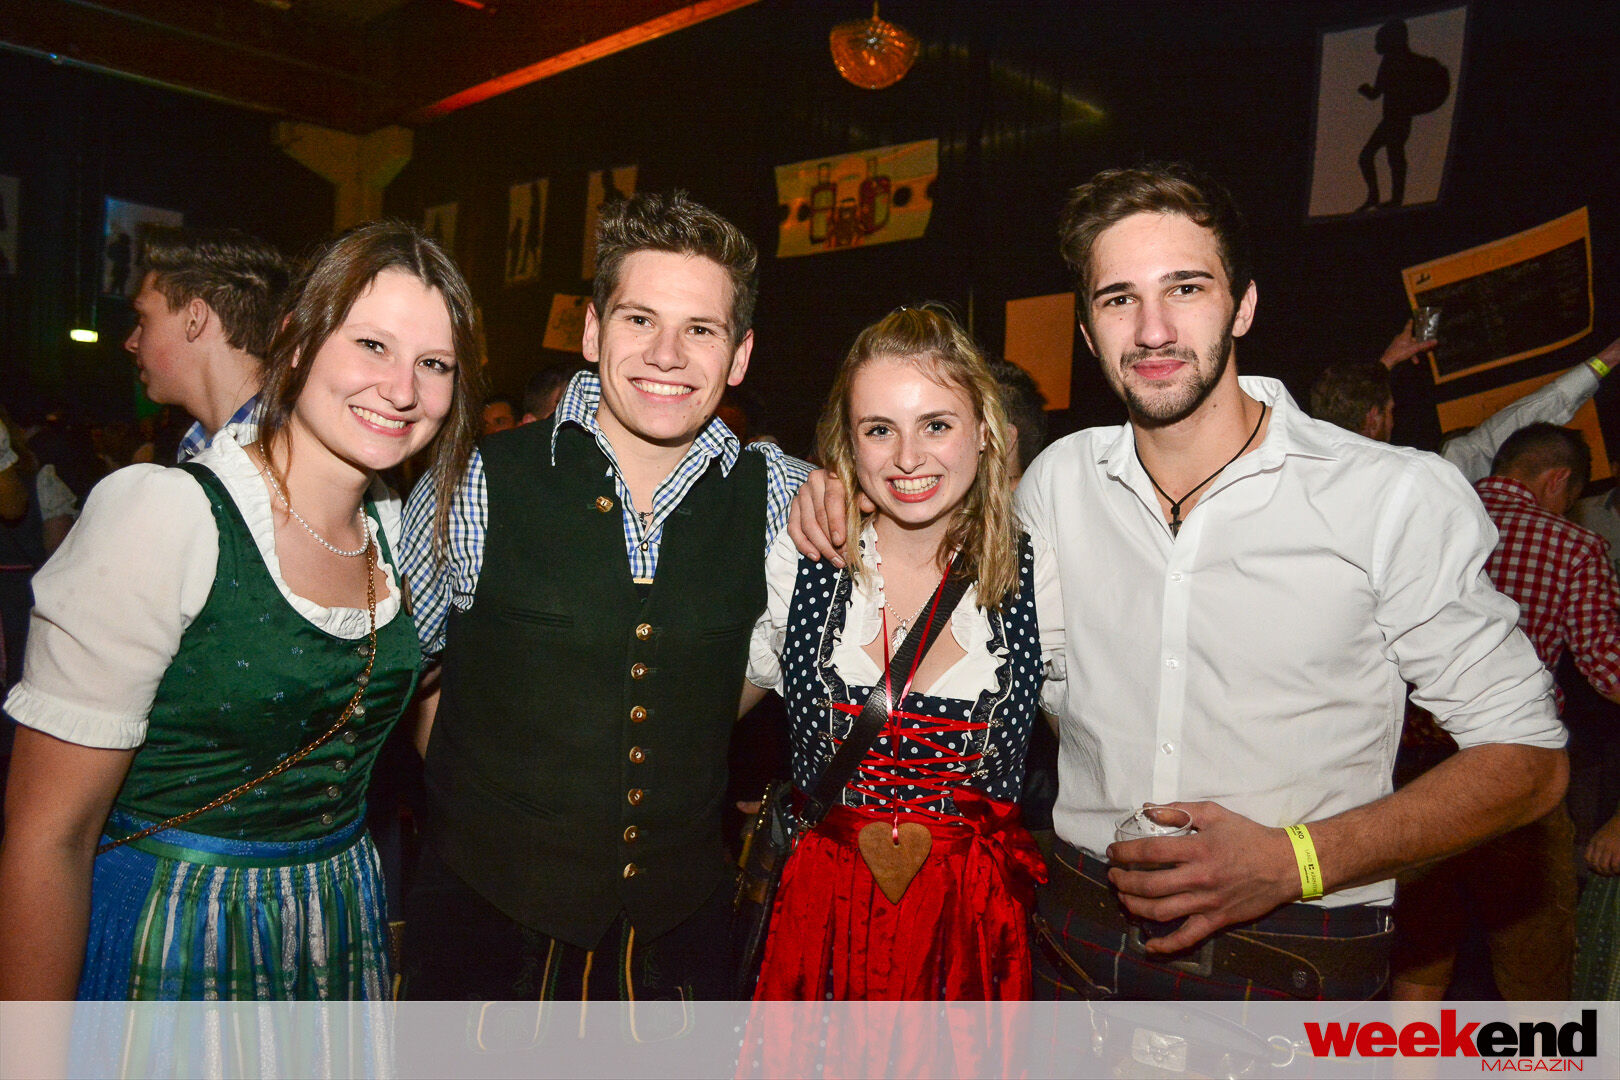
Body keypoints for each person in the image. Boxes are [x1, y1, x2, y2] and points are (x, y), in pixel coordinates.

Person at [791, 163, 1567, 1000]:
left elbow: (1528, 759)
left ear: (1244, 305)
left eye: (1185, 289)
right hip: (1075, 944)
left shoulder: (1387, 495)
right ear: (1088, 330)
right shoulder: (1059, 485)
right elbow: (946, 572)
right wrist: (839, 490)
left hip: (1292, 959)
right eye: (1118, 299)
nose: (1153, 330)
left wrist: (1294, 860)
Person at [0, 221, 483, 1000]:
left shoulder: (402, 532)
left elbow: (445, 733)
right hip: (172, 932)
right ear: (294, 342)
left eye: (435, 363)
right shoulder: (164, 514)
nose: (402, 389)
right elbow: (48, 838)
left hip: (337, 928)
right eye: (371, 345)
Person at [398, 191, 810, 1002]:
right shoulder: (472, 481)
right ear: (592, 331)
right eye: (639, 319)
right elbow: (404, 682)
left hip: (678, 951)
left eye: (701, 330)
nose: (667, 354)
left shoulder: (787, 499)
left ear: (740, 356)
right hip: (484, 942)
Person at [743, 307, 1062, 1001]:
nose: (908, 458)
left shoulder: (1039, 572)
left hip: (972, 931)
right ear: (848, 442)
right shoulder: (804, 560)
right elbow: (703, 711)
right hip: (819, 919)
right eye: (879, 429)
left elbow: (1101, 739)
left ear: (986, 432)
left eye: (936, 425)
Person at [1388, 422, 1620, 1001]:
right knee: (1534, 970)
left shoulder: (1424, 525)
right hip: (1516, 774)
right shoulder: (1574, 546)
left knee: (1420, 959)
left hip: (1417, 772)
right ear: (1557, 480)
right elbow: (1606, 667)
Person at [123, 226, 291, 461]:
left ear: (195, 319)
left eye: (143, 320)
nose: (131, 343)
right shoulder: (199, 448)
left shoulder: (288, 457)